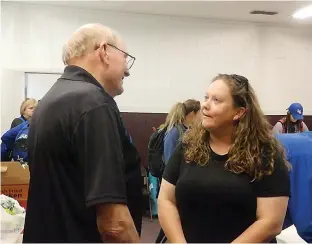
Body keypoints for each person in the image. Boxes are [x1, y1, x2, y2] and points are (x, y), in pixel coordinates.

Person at [23, 23, 141, 243]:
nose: (127, 70)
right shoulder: (94, 104)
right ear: (104, 51)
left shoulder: (50, 100)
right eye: (125, 57)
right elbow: (114, 224)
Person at [158, 74, 290, 243]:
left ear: (238, 112)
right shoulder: (187, 146)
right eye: (206, 97)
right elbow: (166, 199)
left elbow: (271, 222)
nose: (205, 105)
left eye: (216, 100)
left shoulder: (265, 154)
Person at [155, 99, 200, 243]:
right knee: (171, 223)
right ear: (193, 113)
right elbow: (170, 163)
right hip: (175, 184)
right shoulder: (174, 132)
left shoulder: (190, 132)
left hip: (184, 184)